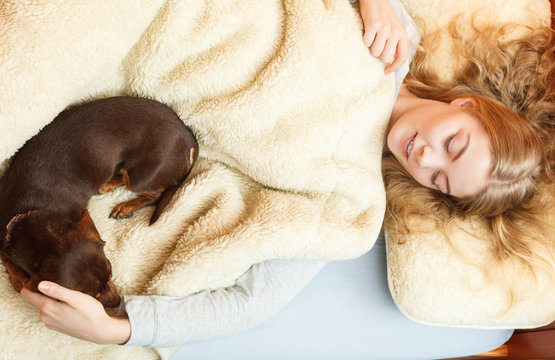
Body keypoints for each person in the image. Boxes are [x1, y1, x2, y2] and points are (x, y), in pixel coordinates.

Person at [20, 0, 554, 348]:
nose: (426, 158)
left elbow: (251, 304)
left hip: (143, 102)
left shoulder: (353, 198)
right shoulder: (393, 38)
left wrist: (121, 330)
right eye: (453, 144)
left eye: (439, 179)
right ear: (465, 105)